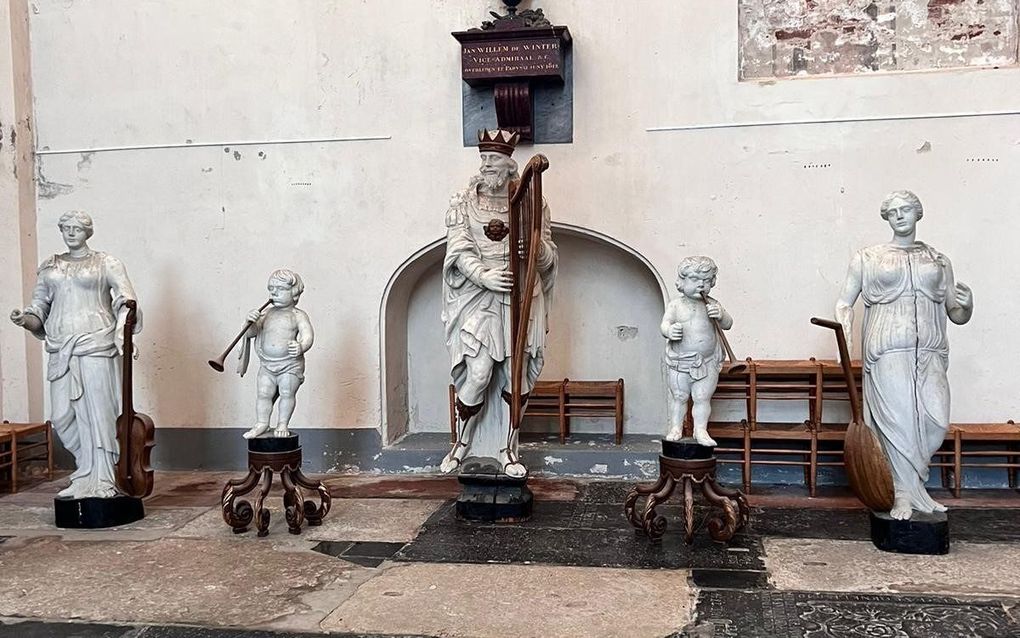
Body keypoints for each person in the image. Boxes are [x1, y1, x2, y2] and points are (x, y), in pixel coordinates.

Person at [835, 190, 973, 520]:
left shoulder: (938, 260)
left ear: (917, 213)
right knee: (896, 423)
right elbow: (844, 302)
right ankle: (900, 494)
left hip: (930, 348)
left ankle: (917, 490)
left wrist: (967, 305)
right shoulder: (868, 258)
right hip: (887, 349)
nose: (899, 216)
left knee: (935, 420)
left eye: (906, 209)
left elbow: (955, 312)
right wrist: (846, 328)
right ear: (886, 218)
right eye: (893, 211)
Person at [439, 129, 557, 478]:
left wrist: (535, 251)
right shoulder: (464, 201)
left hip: (522, 297)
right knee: (478, 372)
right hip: (480, 296)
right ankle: (461, 444)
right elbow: (457, 251)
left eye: (493, 161)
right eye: (484, 160)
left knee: (514, 376)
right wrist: (484, 276)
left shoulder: (533, 203)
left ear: (510, 167)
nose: (486, 166)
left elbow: (549, 255)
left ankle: (508, 448)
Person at [9, 211, 140, 499]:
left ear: (87, 232)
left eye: (77, 228)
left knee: (99, 413)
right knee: (62, 416)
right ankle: (84, 472)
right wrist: (24, 319)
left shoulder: (106, 263)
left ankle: (104, 477)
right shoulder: (50, 267)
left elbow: (126, 301)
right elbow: (38, 310)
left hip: (96, 343)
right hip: (60, 347)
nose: (70, 233)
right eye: (65, 228)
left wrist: (123, 329)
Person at [661, 256, 732, 447]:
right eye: (694, 279)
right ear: (682, 282)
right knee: (680, 396)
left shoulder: (712, 304)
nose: (701, 285)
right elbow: (664, 324)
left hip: (707, 361)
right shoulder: (676, 305)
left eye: (706, 281)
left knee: (702, 398)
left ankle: (700, 430)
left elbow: (728, 324)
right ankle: (676, 427)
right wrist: (670, 331)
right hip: (680, 362)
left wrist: (721, 315)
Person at [239, 269, 314, 439]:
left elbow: (308, 335)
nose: (274, 293)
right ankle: (262, 423)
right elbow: (251, 333)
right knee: (263, 394)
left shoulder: (298, 315)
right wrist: (249, 322)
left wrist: (301, 346)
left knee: (287, 393)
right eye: (271, 289)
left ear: (294, 293)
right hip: (267, 364)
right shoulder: (265, 314)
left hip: (290, 364)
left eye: (280, 289)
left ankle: (282, 423)